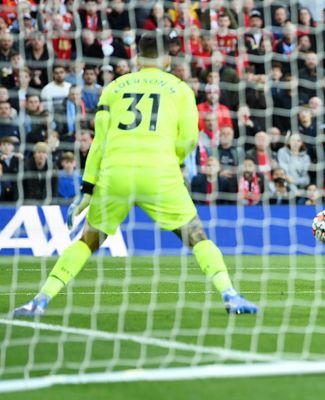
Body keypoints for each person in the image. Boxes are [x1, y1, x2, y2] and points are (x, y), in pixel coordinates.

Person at [13, 34, 257, 318]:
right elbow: (190, 139)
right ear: (167, 59)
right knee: (197, 236)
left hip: (116, 173)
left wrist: (88, 190)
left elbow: (99, 143)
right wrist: (171, 159)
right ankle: (230, 294)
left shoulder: (114, 87)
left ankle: (40, 300)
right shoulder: (180, 89)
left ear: (137, 58)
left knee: (87, 241)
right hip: (159, 173)